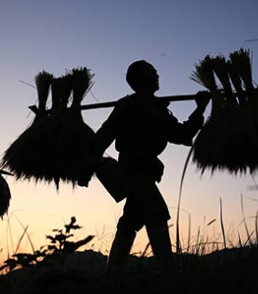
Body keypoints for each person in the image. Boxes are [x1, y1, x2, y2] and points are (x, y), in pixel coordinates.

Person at [87, 60, 210, 272]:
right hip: (134, 170)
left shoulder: (159, 110)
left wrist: (199, 109)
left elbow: (182, 135)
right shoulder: (127, 107)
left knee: (131, 220)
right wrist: (87, 165)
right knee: (157, 213)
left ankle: (113, 274)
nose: (157, 76)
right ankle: (166, 271)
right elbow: (104, 135)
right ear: (139, 80)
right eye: (152, 73)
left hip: (147, 171)